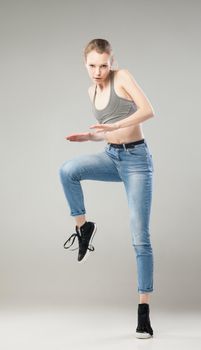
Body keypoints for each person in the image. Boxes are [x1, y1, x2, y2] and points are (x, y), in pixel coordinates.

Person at [59, 38, 155, 339]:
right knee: (68, 171)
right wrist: (91, 138)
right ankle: (84, 228)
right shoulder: (91, 90)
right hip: (111, 157)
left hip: (137, 160)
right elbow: (108, 132)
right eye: (92, 66)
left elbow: (148, 111)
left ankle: (143, 312)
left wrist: (113, 128)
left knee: (140, 236)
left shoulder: (122, 77)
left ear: (111, 62)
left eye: (103, 65)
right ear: (84, 64)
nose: (98, 71)